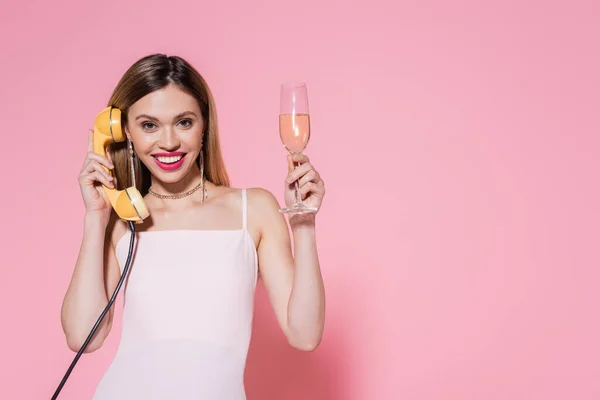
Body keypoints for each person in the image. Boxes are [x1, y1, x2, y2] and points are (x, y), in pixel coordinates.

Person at [60, 53, 326, 399]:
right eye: (149, 125)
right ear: (124, 131)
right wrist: (95, 216)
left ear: (204, 124)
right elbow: (83, 336)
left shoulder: (254, 209)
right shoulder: (122, 221)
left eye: (183, 122)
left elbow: (304, 334)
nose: (168, 142)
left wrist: (303, 223)